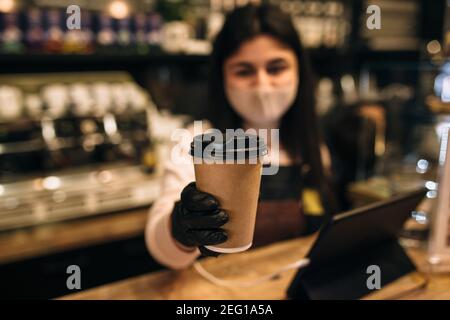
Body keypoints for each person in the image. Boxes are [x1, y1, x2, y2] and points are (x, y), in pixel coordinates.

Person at [145, 4, 337, 270]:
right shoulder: (199, 141)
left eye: (276, 68)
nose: (262, 85)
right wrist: (179, 228)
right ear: (222, 77)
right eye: (244, 71)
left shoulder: (310, 143)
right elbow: (161, 246)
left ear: (299, 72)